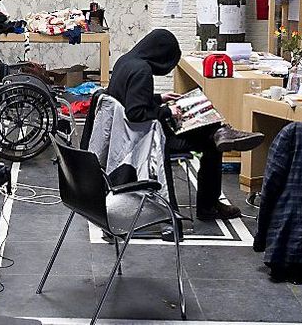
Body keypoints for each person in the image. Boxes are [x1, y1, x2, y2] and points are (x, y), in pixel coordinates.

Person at [107, 29, 263, 220]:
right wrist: (167, 110)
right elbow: (135, 113)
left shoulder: (125, 62)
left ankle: (222, 131)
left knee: (207, 129)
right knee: (211, 145)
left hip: (131, 134)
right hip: (147, 139)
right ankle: (209, 205)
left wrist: (158, 98)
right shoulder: (142, 71)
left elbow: (128, 98)